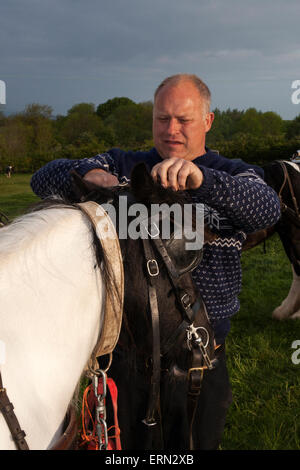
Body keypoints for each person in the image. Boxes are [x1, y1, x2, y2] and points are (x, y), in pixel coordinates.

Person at [30, 74, 281, 449]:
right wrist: (86, 173)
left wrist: (202, 179)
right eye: (162, 119)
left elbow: (267, 207)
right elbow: (43, 179)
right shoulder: (124, 165)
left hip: (200, 357)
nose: (171, 129)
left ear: (208, 122)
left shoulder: (231, 174)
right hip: (125, 357)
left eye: (184, 119)